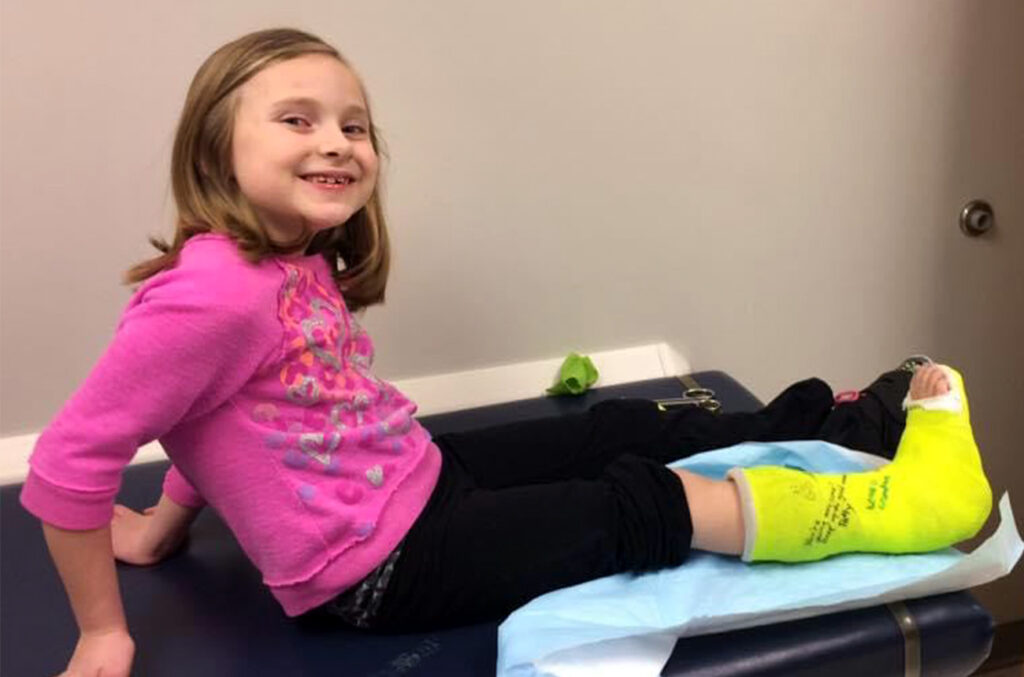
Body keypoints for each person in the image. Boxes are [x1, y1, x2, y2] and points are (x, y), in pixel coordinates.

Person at [20, 28, 992, 677]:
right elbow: (69, 463)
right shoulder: (205, 296)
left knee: (607, 425)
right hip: (380, 570)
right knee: (636, 503)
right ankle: (891, 508)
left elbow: (209, 414)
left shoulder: (286, 260)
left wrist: (161, 522)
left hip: (419, 480)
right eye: (297, 120)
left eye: (354, 124)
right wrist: (104, 628)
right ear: (213, 148)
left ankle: (842, 422)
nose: (339, 142)